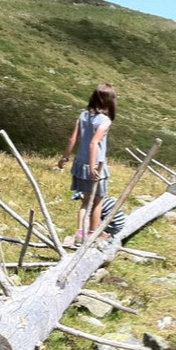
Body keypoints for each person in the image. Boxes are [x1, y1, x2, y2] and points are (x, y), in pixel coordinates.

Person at [56, 82, 116, 247]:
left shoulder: (83, 116)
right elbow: (94, 143)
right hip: (95, 166)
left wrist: (64, 159)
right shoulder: (105, 120)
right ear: (109, 101)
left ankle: (80, 234)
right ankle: (92, 235)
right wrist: (92, 167)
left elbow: (72, 139)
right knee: (97, 201)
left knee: (85, 201)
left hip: (79, 164)